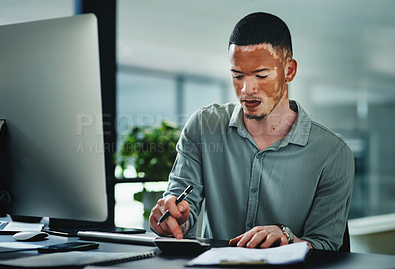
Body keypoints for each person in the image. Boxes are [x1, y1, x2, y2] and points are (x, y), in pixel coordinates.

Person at [149, 12, 354, 251]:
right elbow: (182, 209)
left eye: (261, 75)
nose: (247, 89)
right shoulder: (203, 127)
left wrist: (286, 237)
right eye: (238, 76)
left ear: (289, 70)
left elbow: (326, 246)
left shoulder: (333, 153)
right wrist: (174, 219)